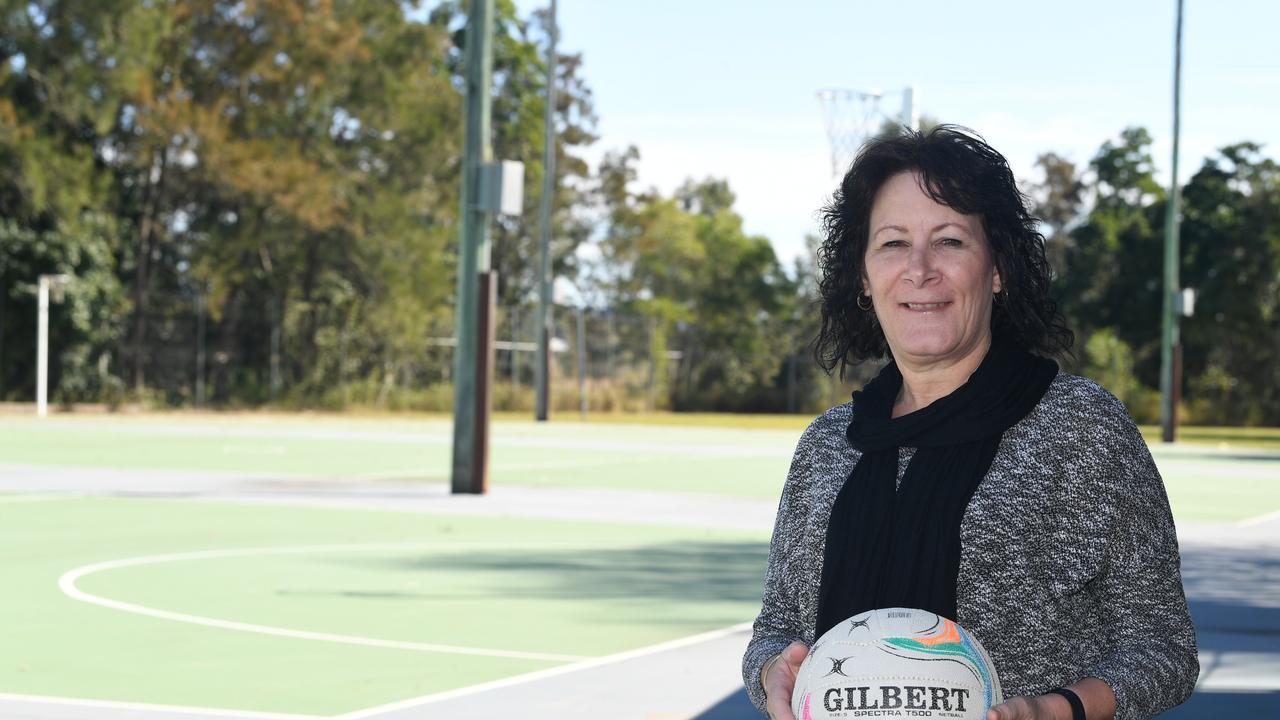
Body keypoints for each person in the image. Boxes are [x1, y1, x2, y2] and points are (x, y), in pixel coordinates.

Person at [742, 126, 1198, 720]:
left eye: (951, 241)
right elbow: (774, 630)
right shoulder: (828, 446)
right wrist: (774, 674)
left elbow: (1163, 647)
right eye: (893, 243)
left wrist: (1060, 710)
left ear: (998, 268)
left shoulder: (1080, 429)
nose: (920, 269)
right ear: (862, 275)